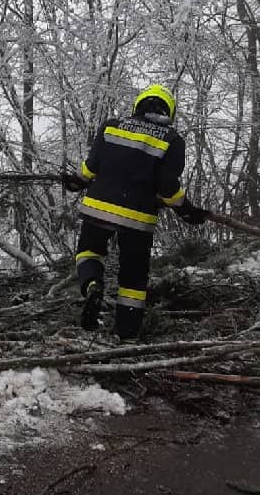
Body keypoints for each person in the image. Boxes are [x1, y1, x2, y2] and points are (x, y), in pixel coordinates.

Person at [62, 84, 209, 341]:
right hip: (138, 218)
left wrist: (75, 182)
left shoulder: (111, 126)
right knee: (134, 276)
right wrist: (186, 210)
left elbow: (90, 168)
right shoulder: (172, 140)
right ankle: (127, 333)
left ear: (138, 106)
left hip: (98, 208)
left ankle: (93, 285)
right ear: (168, 112)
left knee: (89, 252)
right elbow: (167, 187)